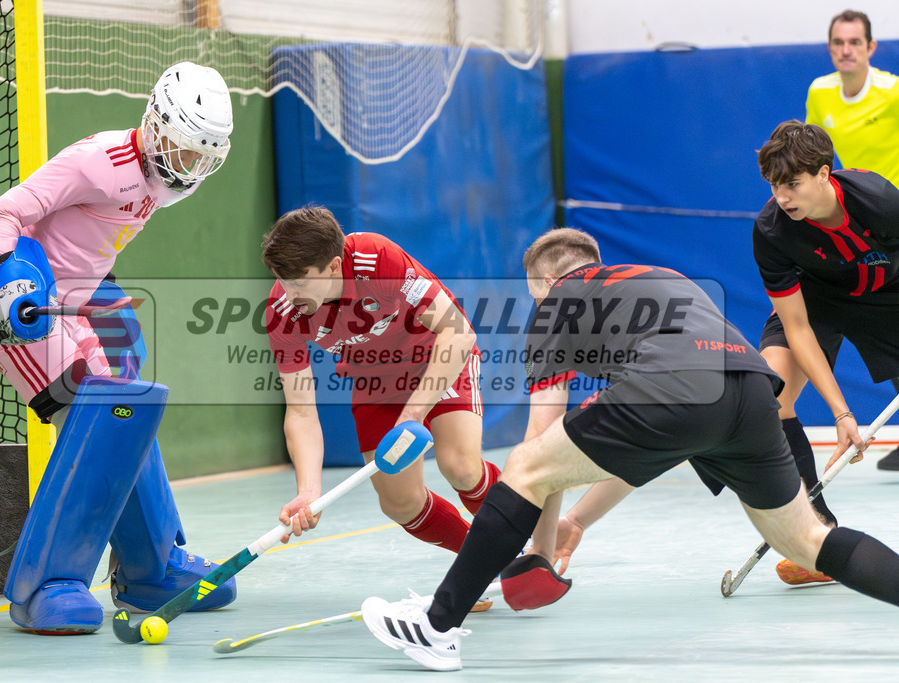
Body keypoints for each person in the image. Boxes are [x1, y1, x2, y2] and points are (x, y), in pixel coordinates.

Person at [360, 227, 899, 672]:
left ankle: (436, 626)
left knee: (525, 466)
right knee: (808, 540)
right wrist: (577, 523)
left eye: (532, 291)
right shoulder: (662, 280)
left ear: (546, 279)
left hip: (675, 387)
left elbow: (538, 443)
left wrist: (540, 553)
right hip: (752, 390)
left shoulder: (554, 304)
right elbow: (656, 442)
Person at [0, 62, 237, 633]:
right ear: (157, 126)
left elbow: (86, 246)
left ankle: (151, 570)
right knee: (99, 421)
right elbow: (4, 214)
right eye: (185, 151)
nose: (190, 169)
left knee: (128, 417)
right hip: (25, 311)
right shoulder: (99, 162)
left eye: (202, 158)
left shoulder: (162, 184)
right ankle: (47, 584)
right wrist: (10, 279)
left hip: (80, 307)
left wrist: (97, 293)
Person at [260, 206, 501, 586]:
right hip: (374, 380)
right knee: (400, 503)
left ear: (334, 266)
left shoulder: (376, 259)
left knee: (461, 466)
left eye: (301, 281)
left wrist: (414, 413)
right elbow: (301, 412)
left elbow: (458, 332)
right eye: (282, 280)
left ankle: (520, 533)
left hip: (435, 355)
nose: (291, 292)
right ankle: (486, 559)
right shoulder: (282, 310)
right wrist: (308, 490)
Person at [752, 119, 899, 584]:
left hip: (888, 297)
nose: (782, 198)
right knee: (765, 398)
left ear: (823, 173)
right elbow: (795, 326)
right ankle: (816, 538)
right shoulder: (772, 230)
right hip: (816, 302)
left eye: (792, 184)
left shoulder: (880, 202)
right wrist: (841, 414)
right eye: (775, 186)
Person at [806, 9, 899, 473]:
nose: (846, 50)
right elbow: (813, 155)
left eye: (855, 42)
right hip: (854, 221)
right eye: (838, 42)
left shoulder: (893, 91)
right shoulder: (819, 91)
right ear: (830, 48)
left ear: (870, 48)